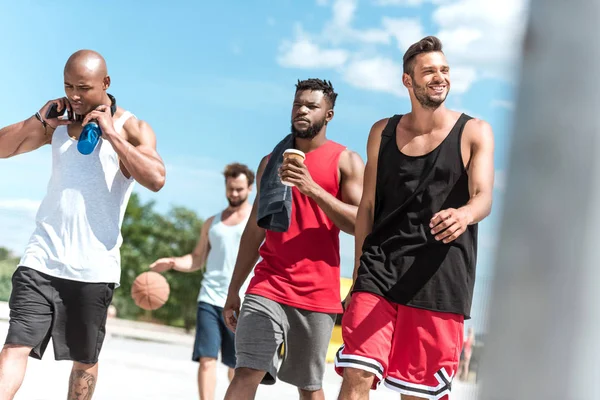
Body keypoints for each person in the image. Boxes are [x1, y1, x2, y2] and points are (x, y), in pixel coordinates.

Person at [0, 49, 166, 400]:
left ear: (105, 83)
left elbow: (156, 178)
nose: (74, 95)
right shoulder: (57, 125)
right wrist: (38, 121)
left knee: (84, 362)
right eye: (68, 86)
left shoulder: (132, 127)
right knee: (15, 347)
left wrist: (111, 135)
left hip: (94, 269)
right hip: (41, 259)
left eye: (84, 88)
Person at [335, 36, 494, 400]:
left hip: (439, 280)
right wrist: (360, 271)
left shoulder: (475, 131)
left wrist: (464, 214)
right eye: (429, 72)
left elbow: (483, 196)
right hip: (379, 272)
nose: (440, 78)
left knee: (417, 394)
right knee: (356, 374)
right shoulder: (382, 132)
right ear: (408, 81)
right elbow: (368, 207)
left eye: (444, 70)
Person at [222, 79, 365, 400]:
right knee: (246, 371)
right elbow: (254, 232)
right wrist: (234, 289)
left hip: (317, 294)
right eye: (298, 103)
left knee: (309, 386)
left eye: (311, 106)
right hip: (267, 286)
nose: (302, 110)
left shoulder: (347, 161)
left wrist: (312, 188)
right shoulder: (270, 161)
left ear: (328, 115)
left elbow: (360, 223)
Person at [149, 162, 255, 400]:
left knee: (236, 366)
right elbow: (197, 259)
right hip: (209, 298)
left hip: (242, 300)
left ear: (250, 188)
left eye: (239, 189)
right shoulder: (212, 223)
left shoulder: (256, 222)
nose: (234, 194)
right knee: (207, 359)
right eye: (230, 188)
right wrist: (174, 262)